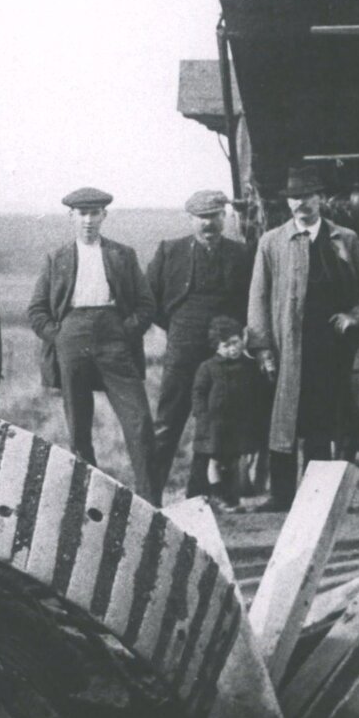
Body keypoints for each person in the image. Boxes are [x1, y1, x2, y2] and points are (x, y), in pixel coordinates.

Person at [246, 162, 359, 511]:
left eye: (306, 197)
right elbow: (258, 297)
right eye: (293, 198)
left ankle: (315, 498)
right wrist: (262, 348)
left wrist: (355, 316)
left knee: (322, 421)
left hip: (330, 349)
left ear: (320, 198)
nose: (300, 204)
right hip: (287, 346)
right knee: (284, 420)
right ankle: (281, 496)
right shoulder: (272, 242)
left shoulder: (344, 239)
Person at [27, 187, 159, 502]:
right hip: (71, 339)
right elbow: (36, 310)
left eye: (94, 213)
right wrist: (58, 337)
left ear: (104, 216)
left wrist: (126, 332)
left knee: (139, 421)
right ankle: (92, 501)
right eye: (82, 214)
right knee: (79, 427)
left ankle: (151, 502)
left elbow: (146, 304)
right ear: (71, 217)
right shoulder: (56, 258)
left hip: (115, 338)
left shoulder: (122, 255)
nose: (88, 220)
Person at [144, 189, 251, 498]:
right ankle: (150, 494)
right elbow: (150, 299)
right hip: (182, 347)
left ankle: (201, 494)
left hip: (222, 352)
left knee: (217, 421)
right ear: (190, 219)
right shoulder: (170, 251)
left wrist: (232, 338)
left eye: (215, 217)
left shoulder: (241, 254)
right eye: (201, 218)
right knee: (168, 421)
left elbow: (247, 303)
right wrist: (178, 328)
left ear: (224, 217)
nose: (208, 224)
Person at [191, 316, 265, 512]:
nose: (232, 349)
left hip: (240, 424)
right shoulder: (208, 367)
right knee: (214, 461)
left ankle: (233, 499)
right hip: (214, 425)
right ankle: (217, 497)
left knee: (234, 462)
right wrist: (201, 414)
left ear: (243, 339)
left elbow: (257, 393)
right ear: (216, 347)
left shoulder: (249, 367)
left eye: (235, 343)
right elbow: (198, 392)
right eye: (226, 345)